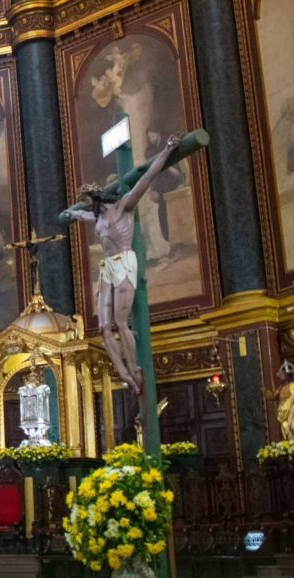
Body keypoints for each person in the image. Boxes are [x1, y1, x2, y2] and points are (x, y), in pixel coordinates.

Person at [62, 134, 182, 396]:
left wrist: (167, 150)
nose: (89, 208)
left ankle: (135, 367)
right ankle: (123, 371)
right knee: (103, 327)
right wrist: (71, 213)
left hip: (125, 261)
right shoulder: (97, 218)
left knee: (120, 320)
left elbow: (147, 177)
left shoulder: (123, 206)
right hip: (107, 267)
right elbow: (79, 214)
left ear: (98, 198)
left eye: (90, 202)